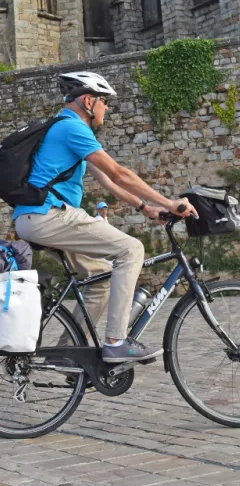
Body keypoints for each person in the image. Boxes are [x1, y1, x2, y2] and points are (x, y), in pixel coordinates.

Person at [14, 71, 198, 364]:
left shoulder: (66, 128)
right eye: (104, 102)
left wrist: (145, 208)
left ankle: (66, 353)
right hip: (48, 217)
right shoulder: (72, 128)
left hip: (40, 218)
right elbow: (119, 173)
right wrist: (170, 202)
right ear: (89, 100)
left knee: (100, 279)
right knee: (132, 249)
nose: (107, 108)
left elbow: (109, 182)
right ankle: (115, 342)